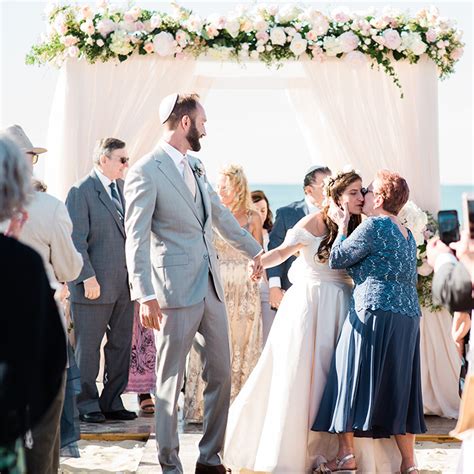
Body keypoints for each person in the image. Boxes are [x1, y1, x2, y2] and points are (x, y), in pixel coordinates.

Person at [124, 93, 262, 474]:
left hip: (210, 290)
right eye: (203, 120)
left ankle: (210, 458)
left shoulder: (198, 165)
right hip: (171, 293)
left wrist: (257, 252)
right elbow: (135, 238)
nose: (206, 127)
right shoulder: (145, 171)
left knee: (221, 373)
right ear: (185, 123)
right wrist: (144, 294)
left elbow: (220, 218)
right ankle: (169, 464)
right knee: (169, 382)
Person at [224, 170, 366, 473]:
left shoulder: (359, 224)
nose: (360, 197)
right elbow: (283, 252)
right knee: (303, 373)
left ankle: (340, 450)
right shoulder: (310, 222)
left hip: (343, 304)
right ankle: (296, 449)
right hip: (311, 304)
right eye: (353, 192)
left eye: (361, 192)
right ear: (336, 196)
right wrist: (260, 261)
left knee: (334, 376)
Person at [312, 170, 426, 474]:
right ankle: (410, 464)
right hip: (408, 315)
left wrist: (342, 224)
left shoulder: (373, 226)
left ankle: (347, 456)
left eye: (369, 190)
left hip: (373, 310)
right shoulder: (407, 233)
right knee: (400, 385)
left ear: (380, 197)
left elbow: (337, 258)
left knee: (349, 376)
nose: (364, 195)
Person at [1, 124, 83, 469]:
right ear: (26, 163)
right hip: (34, 329)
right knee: (43, 442)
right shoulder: (49, 208)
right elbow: (70, 268)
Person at [185, 165, 263, 422]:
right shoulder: (209, 212)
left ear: (238, 187)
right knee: (214, 344)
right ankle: (202, 408)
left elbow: (258, 253)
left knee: (242, 343)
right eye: (217, 186)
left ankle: (240, 407)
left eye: (224, 186)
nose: (219, 190)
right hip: (216, 285)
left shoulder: (253, 216)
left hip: (244, 289)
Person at [66, 137, 136, 423]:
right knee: (89, 348)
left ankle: (112, 400)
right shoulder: (80, 191)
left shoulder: (121, 188)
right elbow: (75, 240)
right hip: (92, 287)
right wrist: (88, 277)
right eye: (122, 159)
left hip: (124, 286)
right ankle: (86, 404)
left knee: (120, 346)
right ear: (103, 160)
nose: (126, 164)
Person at [267, 165, 331, 310]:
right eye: (324, 186)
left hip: (328, 292)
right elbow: (275, 248)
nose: (330, 190)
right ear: (308, 190)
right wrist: (274, 286)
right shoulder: (286, 213)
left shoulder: (338, 216)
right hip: (292, 289)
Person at [252, 189, 275, 344]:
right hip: (249, 289)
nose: (261, 214)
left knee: (268, 337)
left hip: (268, 291)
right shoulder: (241, 234)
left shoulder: (273, 233)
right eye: (256, 210)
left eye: (263, 210)